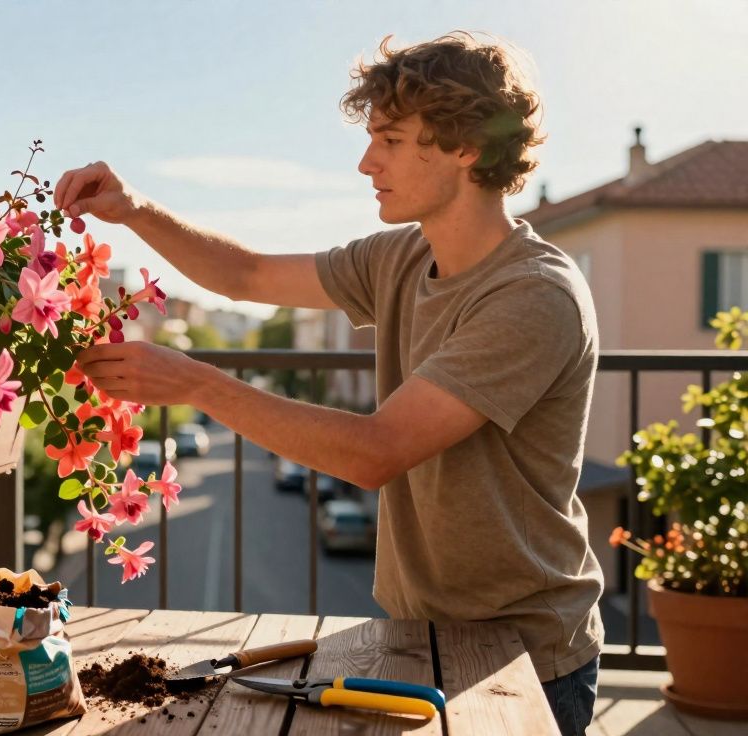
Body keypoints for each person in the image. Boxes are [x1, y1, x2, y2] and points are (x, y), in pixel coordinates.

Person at [62, 31, 602, 736]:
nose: (365, 161)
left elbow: (373, 453)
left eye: (390, 139)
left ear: (467, 145)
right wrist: (134, 209)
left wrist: (200, 384)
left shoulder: (533, 295)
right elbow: (246, 276)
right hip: (418, 632)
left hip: (525, 656)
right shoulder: (403, 256)